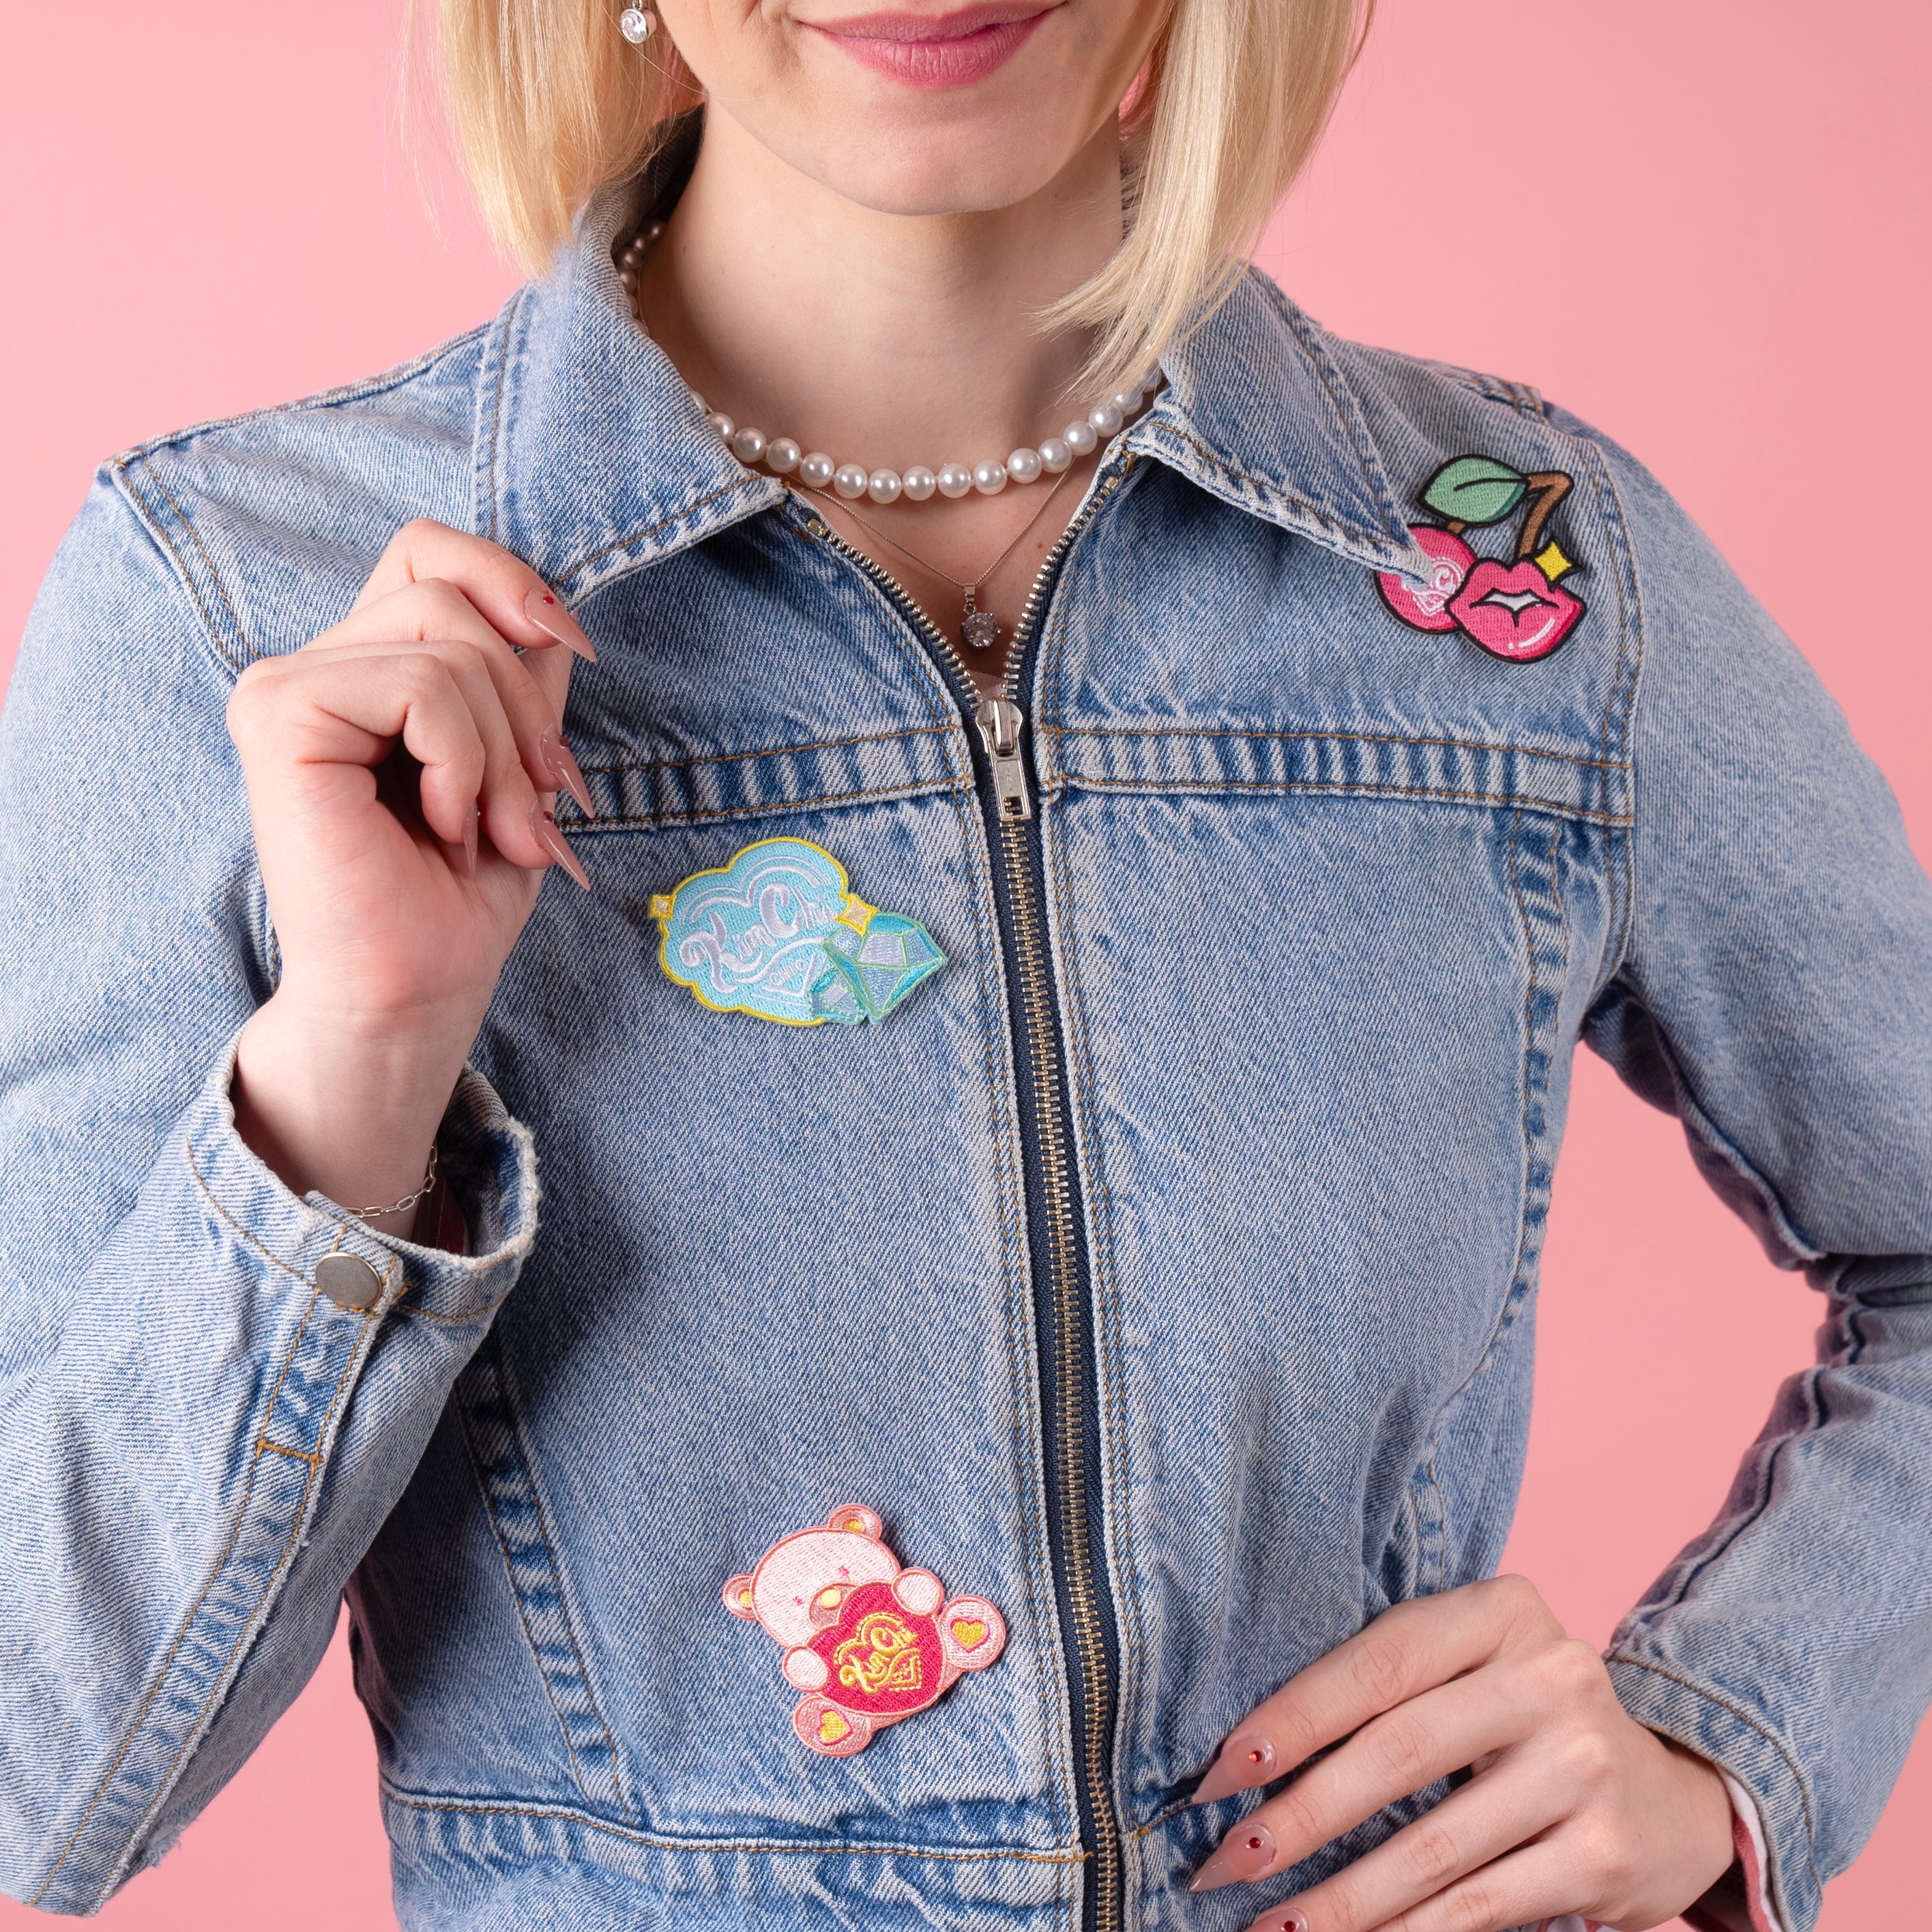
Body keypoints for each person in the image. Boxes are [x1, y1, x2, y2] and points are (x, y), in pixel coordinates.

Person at [0, 0, 1925, 1926]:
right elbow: (38, 1766)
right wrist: (358, 1057)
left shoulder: (1519, 585)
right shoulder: (243, 609)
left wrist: (1727, 1731)